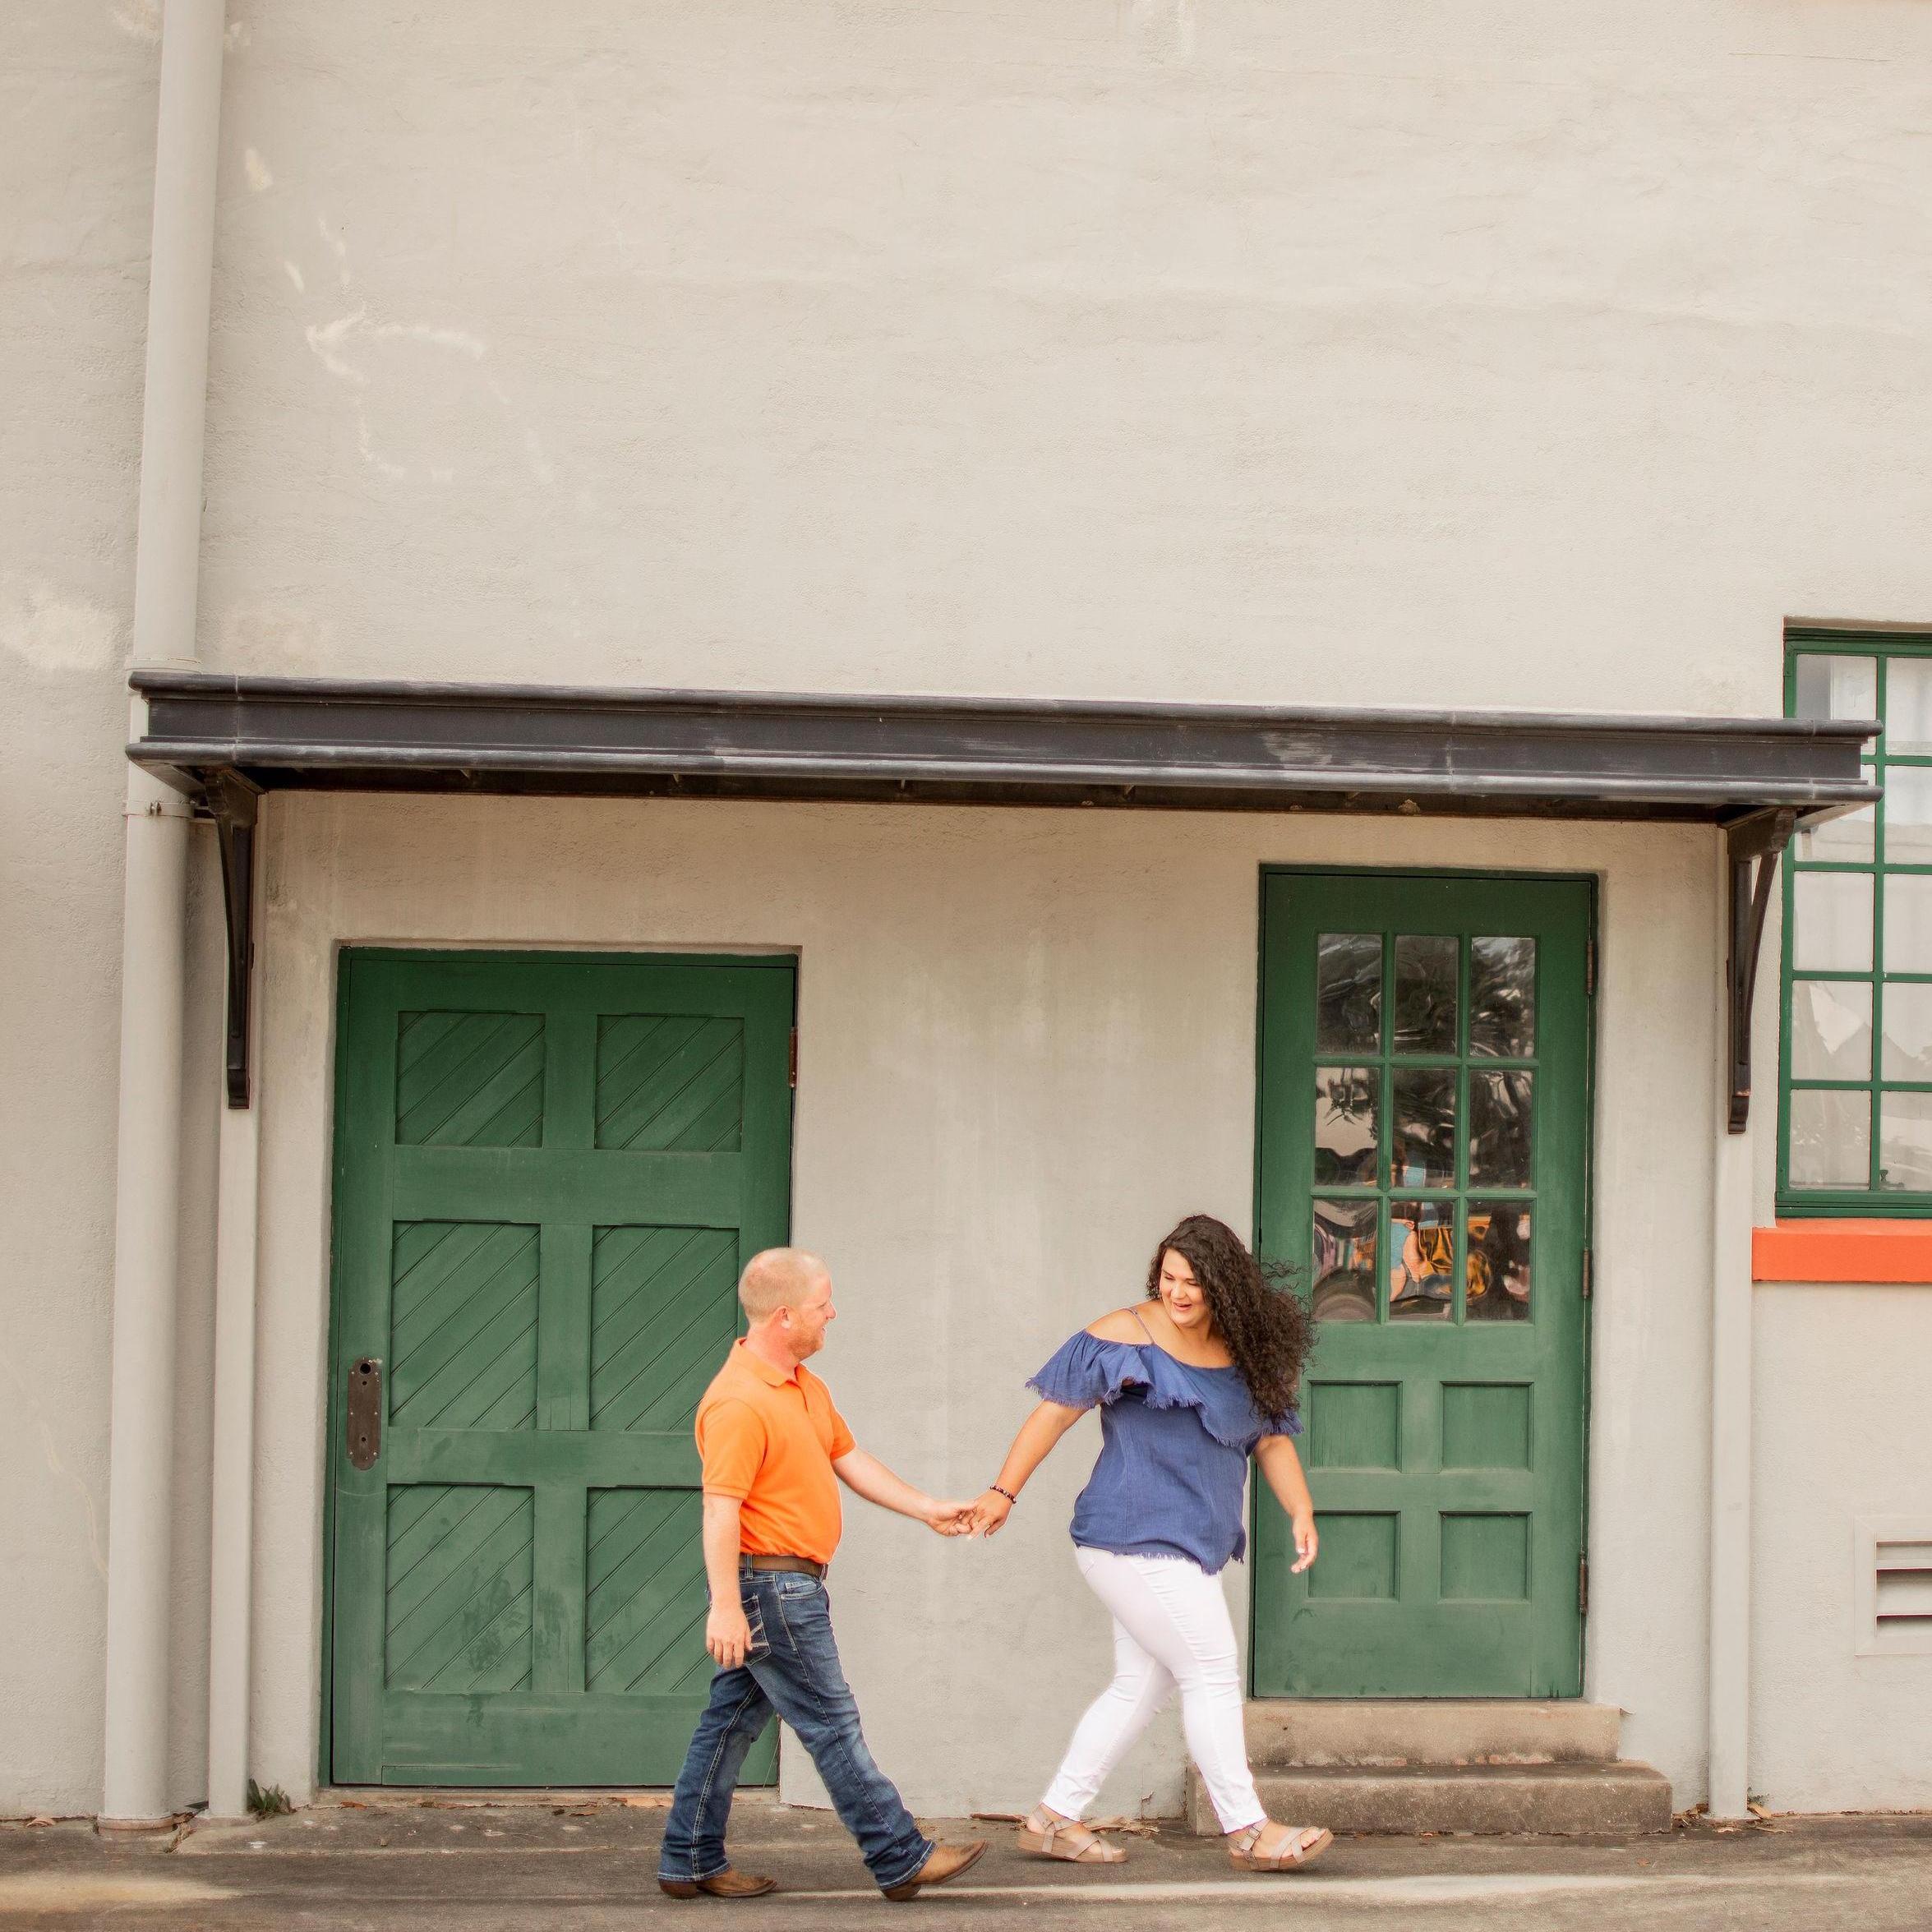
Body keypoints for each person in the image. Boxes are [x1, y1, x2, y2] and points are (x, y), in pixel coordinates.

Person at [966, 1214, 1333, 1874]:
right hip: (1129, 1536)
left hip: (1191, 1541)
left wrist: (1299, 1508)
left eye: (1193, 1280)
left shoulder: (1244, 1350)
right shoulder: (1121, 1335)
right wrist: (1002, 1491)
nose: (1178, 1292)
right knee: (1212, 1668)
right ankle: (1248, 1828)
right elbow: (1051, 1413)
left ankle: (1053, 1818)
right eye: (1168, 1277)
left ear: (1225, 1285)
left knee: (1140, 1684)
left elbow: (1272, 1438)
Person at [657, 1247, 987, 1902]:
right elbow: (719, 1508)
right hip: (768, 1588)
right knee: (830, 1722)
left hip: (780, 1585)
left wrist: (926, 1508)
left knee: (729, 1723)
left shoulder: (803, 1384)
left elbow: (849, 1457)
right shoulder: (739, 1401)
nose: (832, 1312)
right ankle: (898, 1855)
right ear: (784, 1315)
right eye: (821, 1304)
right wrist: (725, 1604)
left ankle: (687, 1857)